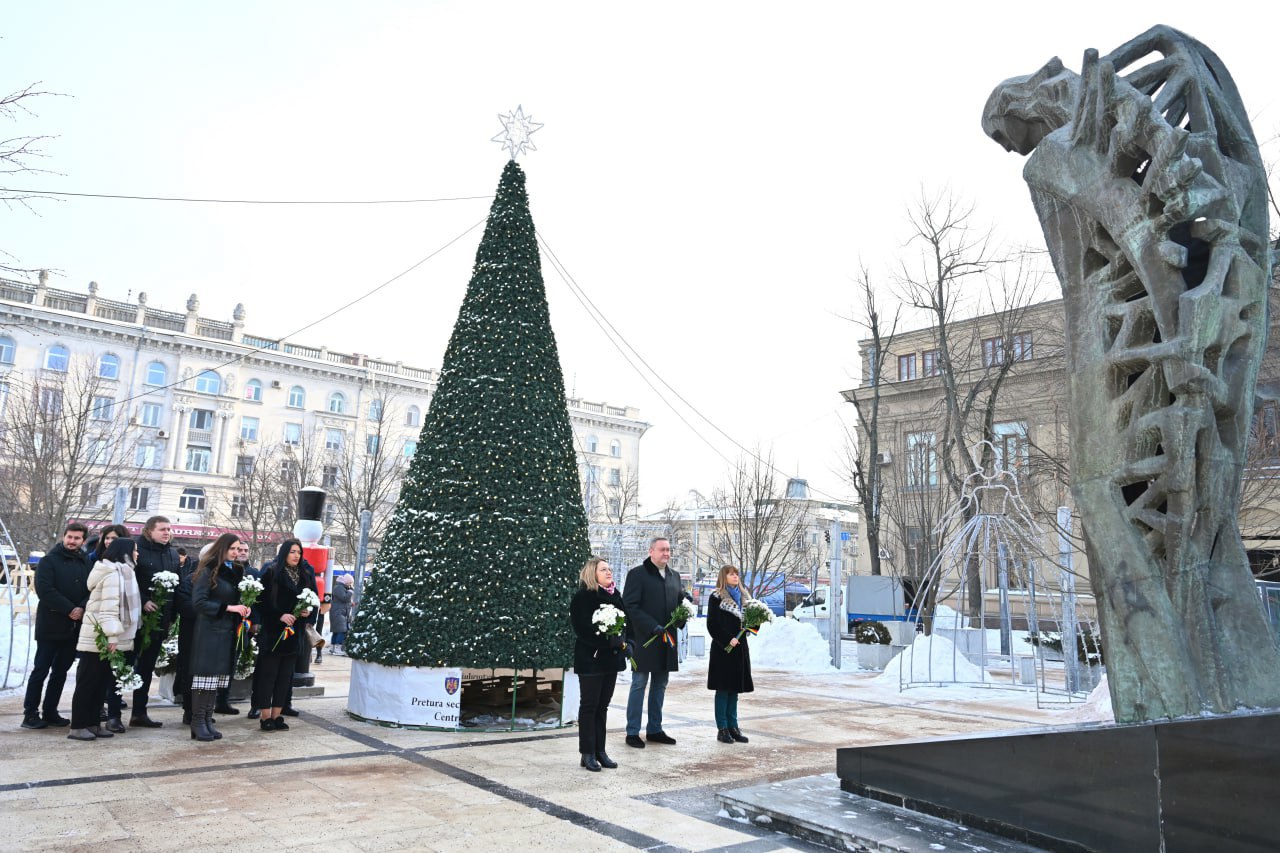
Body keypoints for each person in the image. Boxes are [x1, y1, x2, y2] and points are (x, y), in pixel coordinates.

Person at [67, 537, 141, 741]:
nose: (137, 554)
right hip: (98, 638)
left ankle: (92, 723)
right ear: (125, 552)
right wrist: (112, 636)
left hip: (106, 636)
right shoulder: (112, 575)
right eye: (134, 550)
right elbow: (108, 610)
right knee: (88, 683)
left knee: (101, 684)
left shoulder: (122, 573)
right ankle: (78, 726)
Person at [23, 522, 91, 730]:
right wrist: (70, 609)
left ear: (83, 540)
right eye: (69, 537)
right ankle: (30, 713)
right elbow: (44, 590)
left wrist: (81, 607)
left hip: (73, 628)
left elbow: (91, 589)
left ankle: (50, 711)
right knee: (41, 670)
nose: (72, 541)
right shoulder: (48, 561)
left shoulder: (85, 562)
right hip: (51, 625)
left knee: (60, 672)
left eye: (77, 538)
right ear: (63, 536)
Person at [622, 537, 683, 748]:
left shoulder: (674, 576)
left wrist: (682, 616)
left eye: (668, 550)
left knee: (660, 685)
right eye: (662, 550)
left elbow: (679, 602)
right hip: (644, 639)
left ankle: (655, 729)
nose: (666, 553)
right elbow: (630, 605)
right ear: (651, 551)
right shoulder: (637, 574)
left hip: (666, 641)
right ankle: (632, 731)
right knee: (639, 684)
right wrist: (651, 626)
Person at [188, 533, 251, 742]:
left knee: (213, 681)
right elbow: (199, 602)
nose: (235, 553)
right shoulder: (208, 571)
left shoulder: (234, 573)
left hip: (226, 631)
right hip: (209, 632)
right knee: (205, 678)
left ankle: (206, 719)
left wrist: (243, 607)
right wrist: (229, 607)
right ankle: (197, 722)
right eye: (231, 548)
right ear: (222, 549)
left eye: (237, 548)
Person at [569, 557, 627, 771]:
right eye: (604, 569)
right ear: (592, 573)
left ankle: (600, 751)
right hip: (591, 660)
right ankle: (587, 753)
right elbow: (582, 629)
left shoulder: (615, 595)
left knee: (603, 707)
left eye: (610, 569)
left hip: (611, 661)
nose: (609, 572)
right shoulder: (583, 597)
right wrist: (605, 640)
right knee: (589, 706)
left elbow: (625, 622)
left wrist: (625, 642)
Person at [254, 539, 315, 732]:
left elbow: (313, 600)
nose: (296, 555)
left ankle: (277, 715)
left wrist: (307, 612)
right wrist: (279, 615)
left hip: (293, 635)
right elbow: (260, 603)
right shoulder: (271, 572)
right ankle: (265, 717)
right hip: (273, 633)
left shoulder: (305, 575)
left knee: (284, 677)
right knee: (268, 675)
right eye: (292, 552)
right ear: (284, 554)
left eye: (299, 552)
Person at [131, 516, 180, 728]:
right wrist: (143, 601)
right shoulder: (137, 550)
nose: (167, 533)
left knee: (146, 667)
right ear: (148, 531)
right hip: (136, 618)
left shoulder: (171, 553)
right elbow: (129, 581)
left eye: (169, 529)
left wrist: (173, 615)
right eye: (162, 529)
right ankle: (112, 711)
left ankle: (139, 712)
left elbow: (176, 586)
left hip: (161, 620)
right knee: (126, 665)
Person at [705, 565, 753, 744]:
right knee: (723, 689)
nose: (735, 577)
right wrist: (727, 639)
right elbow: (712, 625)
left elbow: (750, 622)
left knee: (735, 689)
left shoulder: (744, 597)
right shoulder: (716, 597)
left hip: (740, 649)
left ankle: (734, 726)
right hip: (723, 649)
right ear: (724, 577)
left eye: (736, 574)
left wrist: (751, 627)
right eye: (731, 574)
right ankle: (722, 728)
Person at [328, 574, 354, 656]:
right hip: (338, 613)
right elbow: (344, 598)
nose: (350, 585)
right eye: (349, 583)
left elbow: (342, 602)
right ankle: (338, 649)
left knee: (337, 631)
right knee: (341, 631)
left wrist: (351, 604)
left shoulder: (341, 587)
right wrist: (350, 593)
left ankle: (333, 648)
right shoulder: (339, 587)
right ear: (346, 582)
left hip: (339, 612)